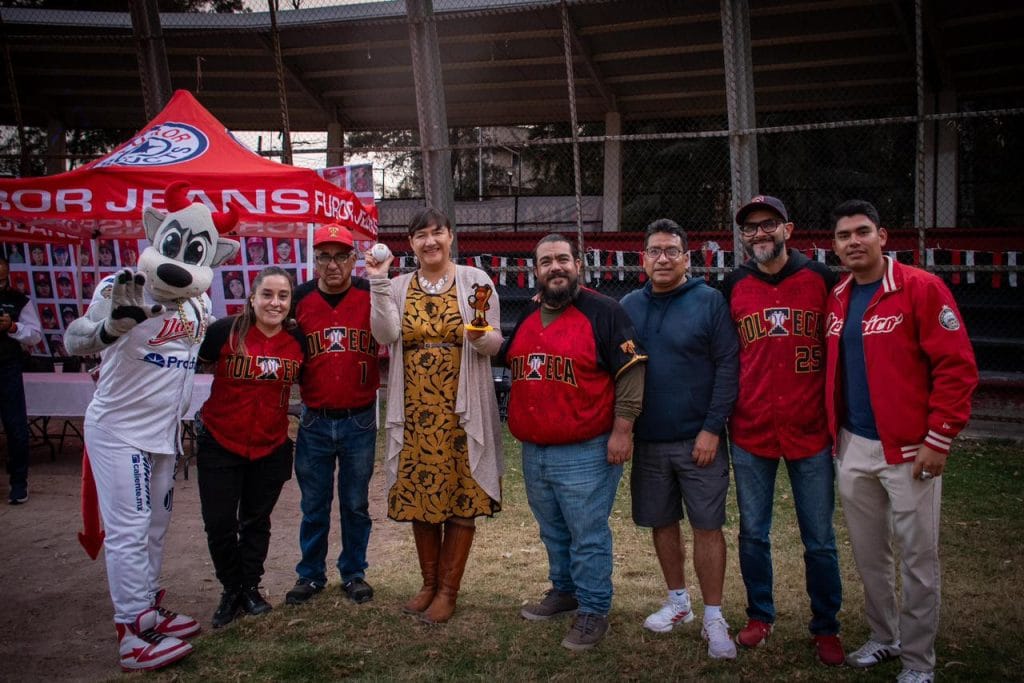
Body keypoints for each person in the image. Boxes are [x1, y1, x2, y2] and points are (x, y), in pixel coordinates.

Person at [825, 200, 978, 683]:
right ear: (835, 245)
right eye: (844, 235)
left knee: (917, 557)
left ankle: (918, 661)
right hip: (853, 445)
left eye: (862, 232)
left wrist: (940, 437)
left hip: (911, 448)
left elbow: (956, 368)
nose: (853, 241)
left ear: (883, 236)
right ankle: (884, 636)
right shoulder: (839, 294)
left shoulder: (921, 287)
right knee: (870, 554)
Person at [501, 234, 646, 651]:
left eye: (563, 259)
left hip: (586, 448)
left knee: (587, 534)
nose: (555, 267)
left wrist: (623, 430)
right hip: (535, 448)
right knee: (553, 531)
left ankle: (594, 609)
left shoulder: (604, 310)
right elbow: (511, 356)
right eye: (546, 261)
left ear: (579, 265)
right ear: (536, 271)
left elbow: (632, 371)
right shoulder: (530, 314)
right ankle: (565, 591)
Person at [365, 207, 503, 624]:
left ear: (450, 237)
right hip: (416, 408)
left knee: (461, 492)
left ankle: (448, 590)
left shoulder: (476, 281)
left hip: (461, 407)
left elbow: (495, 342)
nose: (430, 241)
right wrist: (377, 283)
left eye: (437, 233)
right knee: (420, 492)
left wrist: (480, 339)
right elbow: (385, 335)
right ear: (410, 244)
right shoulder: (398, 285)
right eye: (420, 235)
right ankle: (427, 584)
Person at [722, 195, 844, 666]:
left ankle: (826, 626)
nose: (759, 234)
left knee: (819, 537)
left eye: (768, 225)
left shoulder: (822, 280)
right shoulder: (734, 284)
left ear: (788, 230)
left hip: (810, 429)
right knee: (753, 532)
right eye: (750, 228)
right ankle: (760, 616)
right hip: (752, 429)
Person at [620, 219, 739, 659]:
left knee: (708, 526)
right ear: (644, 259)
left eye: (672, 250)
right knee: (661, 521)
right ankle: (678, 602)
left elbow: (728, 366)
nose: (664, 258)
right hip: (649, 440)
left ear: (687, 258)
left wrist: (711, 428)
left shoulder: (709, 302)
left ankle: (713, 615)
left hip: (698, 440)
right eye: (655, 250)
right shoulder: (630, 304)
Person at [196, 267, 304, 629]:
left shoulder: (297, 341)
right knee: (220, 523)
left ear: (291, 302)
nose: (275, 303)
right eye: (268, 295)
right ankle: (231, 589)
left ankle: (250, 589)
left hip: (270, 447)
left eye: (283, 296)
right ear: (252, 298)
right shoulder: (224, 332)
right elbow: (188, 364)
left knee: (256, 522)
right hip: (220, 442)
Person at [285, 223, 382, 607]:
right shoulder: (300, 299)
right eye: (323, 256)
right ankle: (310, 575)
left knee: (355, 502)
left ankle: (354, 572)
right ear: (315, 261)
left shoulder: (369, 293)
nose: (332, 264)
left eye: (340, 256)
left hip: (359, 417)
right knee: (314, 502)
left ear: (353, 260)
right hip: (315, 418)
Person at [0, 258, 43, 504]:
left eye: (2, 279)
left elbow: (35, 335)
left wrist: (14, 327)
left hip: (8, 367)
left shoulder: (19, 300)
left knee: (16, 428)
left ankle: (18, 483)